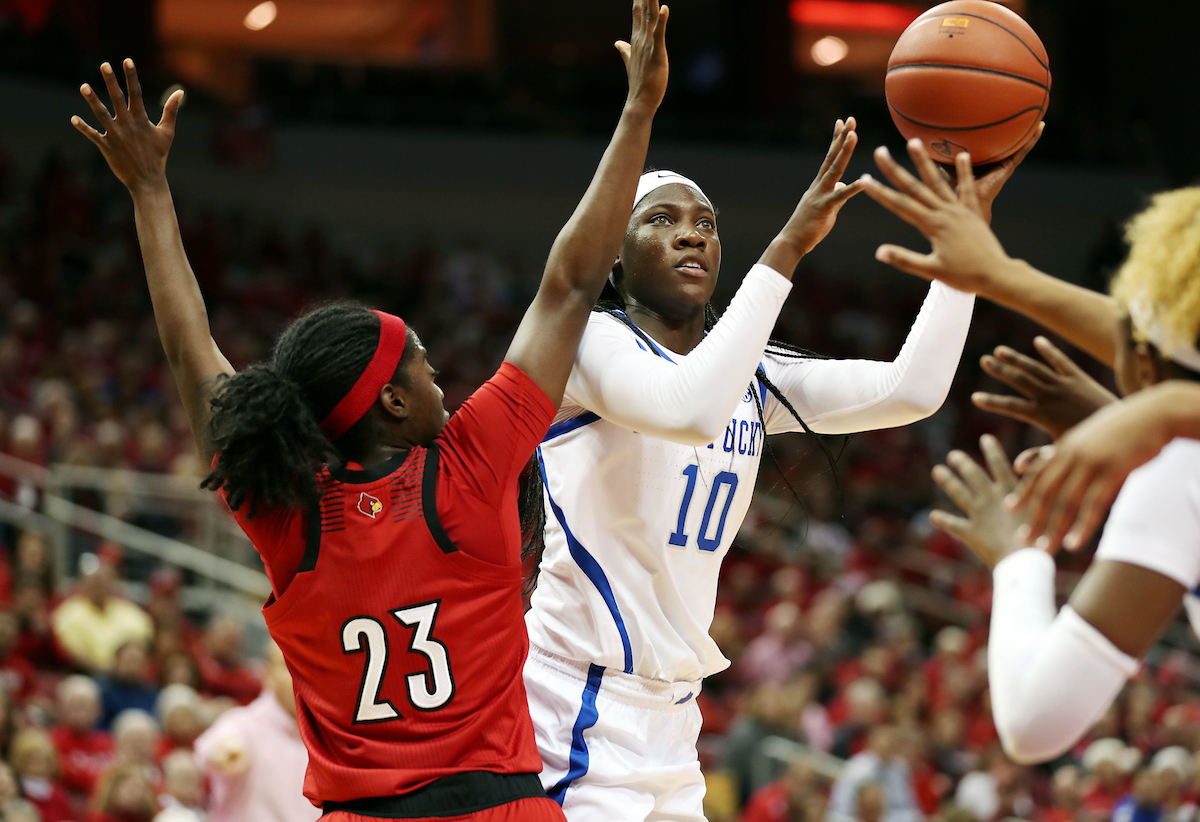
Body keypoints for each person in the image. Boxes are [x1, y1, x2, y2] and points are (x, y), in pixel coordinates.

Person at [72, 0, 670, 814]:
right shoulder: (465, 467)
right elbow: (570, 281)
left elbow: (188, 350)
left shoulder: (287, 512)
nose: (440, 383)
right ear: (391, 399)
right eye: (423, 365)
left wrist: (147, 191)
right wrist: (638, 111)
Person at [521, 87, 1037, 822]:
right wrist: (787, 247)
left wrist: (962, 255)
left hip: (672, 717)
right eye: (661, 220)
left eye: (705, 223)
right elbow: (687, 409)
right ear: (614, 260)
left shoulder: (751, 374)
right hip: (570, 699)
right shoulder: (589, 346)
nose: (691, 234)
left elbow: (911, 389)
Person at [912, 182, 1200, 764]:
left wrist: (1018, 553)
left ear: (1141, 365)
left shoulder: (1180, 470)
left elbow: (1033, 723)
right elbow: (1155, 348)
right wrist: (1000, 275)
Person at [193, 643, 318, 822]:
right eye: (288, 666)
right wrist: (223, 753)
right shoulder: (244, 724)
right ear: (267, 674)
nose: (298, 676)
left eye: (306, 667)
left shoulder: (327, 736)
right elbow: (214, 748)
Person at [51, 553, 153, 673]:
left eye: (103, 579)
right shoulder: (68, 613)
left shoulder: (131, 613)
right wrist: (108, 672)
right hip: (86, 674)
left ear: (112, 581)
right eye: (93, 580)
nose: (98, 584)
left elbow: (143, 643)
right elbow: (73, 655)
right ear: (83, 582)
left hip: (129, 676)